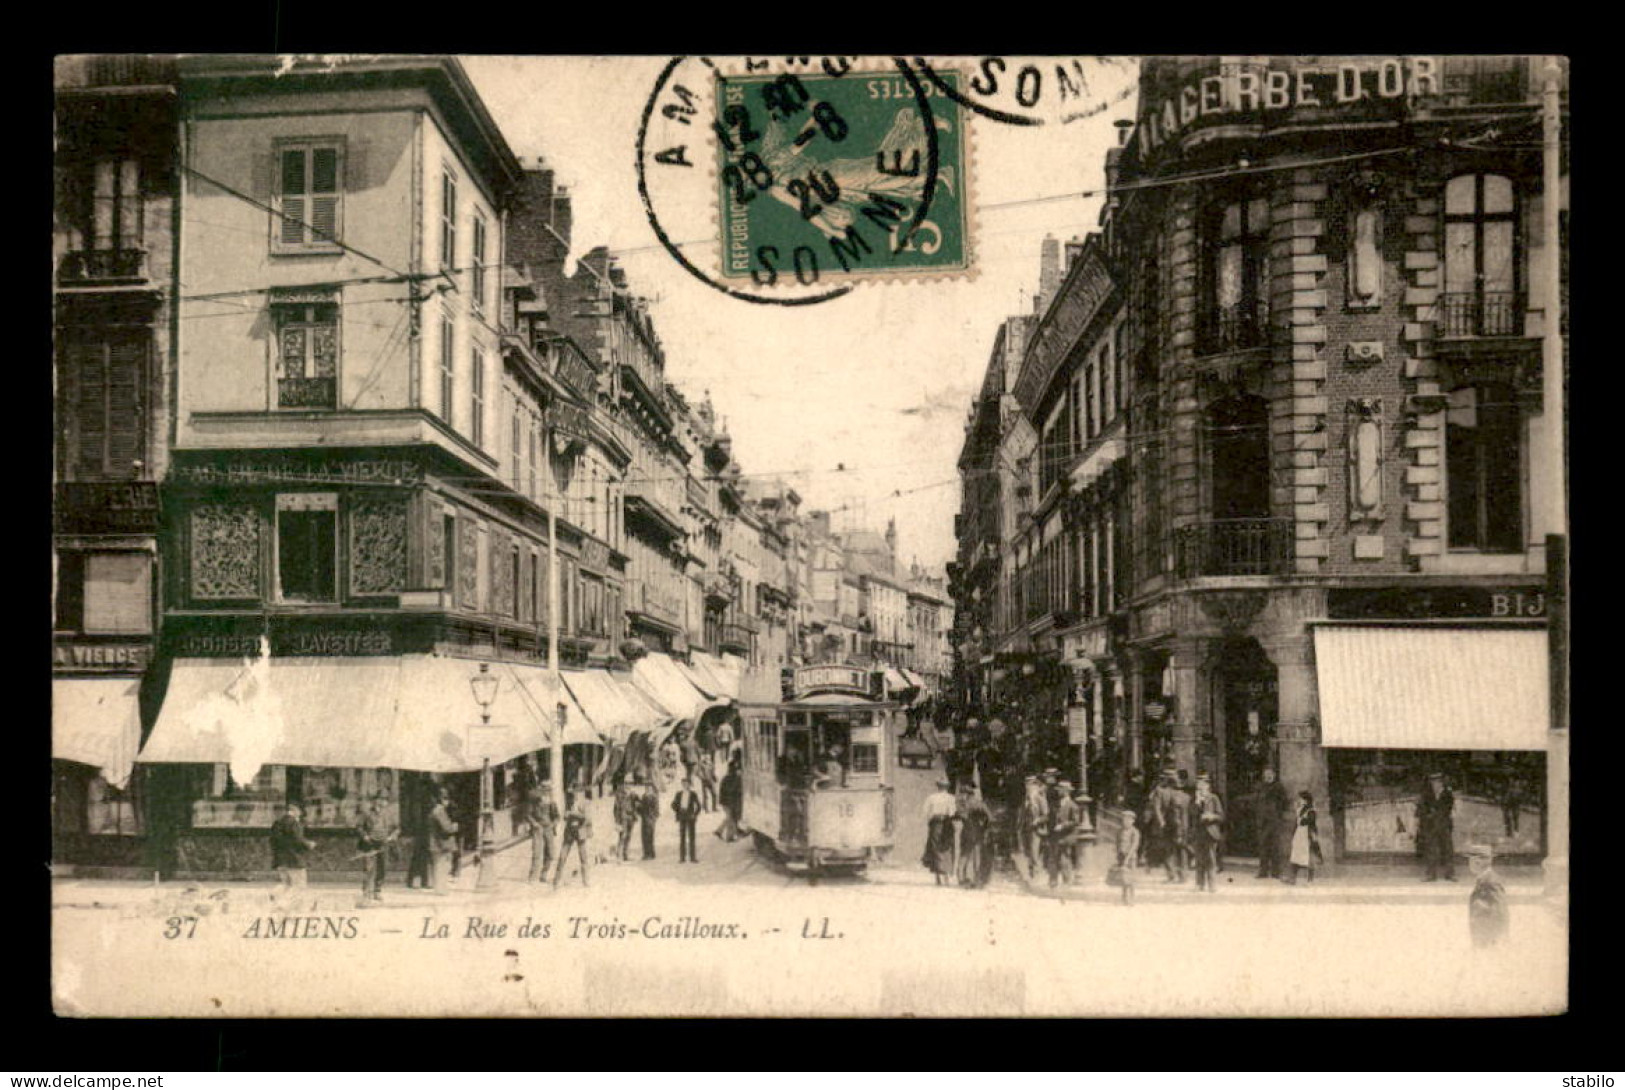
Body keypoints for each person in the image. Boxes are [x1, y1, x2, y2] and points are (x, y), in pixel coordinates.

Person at [355, 790, 399, 905]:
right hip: (369, 845)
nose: (382, 802)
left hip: (383, 844)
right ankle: (367, 891)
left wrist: (391, 837)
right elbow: (359, 827)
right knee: (369, 868)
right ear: (375, 801)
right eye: (380, 799)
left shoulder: (389, 814)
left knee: (382, 868)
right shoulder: (367, 813)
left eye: (384, 800)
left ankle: (377, 890)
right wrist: (365, 836)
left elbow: (397, 828)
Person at [1467, 843, 1510, 949]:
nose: (1469, 864)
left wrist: (1498, 938)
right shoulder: (1484, 879)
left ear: (1477, 862)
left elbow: (1501, 911)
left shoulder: (1491, 881)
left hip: (1488, 938)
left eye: (1470, 861)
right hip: (1482, 936)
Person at [1417, 772, 1456, 882]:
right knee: (1431, 850)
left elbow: (1448, 807)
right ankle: (1431, 874)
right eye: (1433, 782)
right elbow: (1423, 808)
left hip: (1444, 825)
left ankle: (1450, 874)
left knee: (1448, 850)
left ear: (1441, 782)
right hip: (1431, 825)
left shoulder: (1448, 793)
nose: (1435, 784)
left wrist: (1435, 812)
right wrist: (1429, 815)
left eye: (1437, 782)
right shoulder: (1427, 794)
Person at [1152, 771, 1189, 883]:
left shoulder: (1160, 792)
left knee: (1168, 850)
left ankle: (1171, 875)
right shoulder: (1185, 796)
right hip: (1182, 825)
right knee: (1181, 850)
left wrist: (1161, 822)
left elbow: (1157, 808)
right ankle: (1183, 875)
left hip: (1167, 825)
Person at [270, 803, 316, 890]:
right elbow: (297, 839)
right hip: (294, 859)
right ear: (295, 810)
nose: (300, 813)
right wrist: (308, 844)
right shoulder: (294, 823)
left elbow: (273, 841)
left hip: (280, 860)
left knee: (286, 884)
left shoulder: (277, 823)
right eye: (299, 811)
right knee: (299, 886)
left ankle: (276, 895)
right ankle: (287, 901)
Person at [1191, 775, 1225, 892]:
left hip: (1210, 833)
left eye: (1202, 786)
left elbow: (1221, 816)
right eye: (1198, 787)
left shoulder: (1214, 798)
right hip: (1199, 833)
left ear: (1207, 786)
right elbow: (1192, 815)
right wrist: (1197, 803)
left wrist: (1211, 816)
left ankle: (1212, 885)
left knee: (1210, 860)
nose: (1199, 789)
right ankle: (1199, 884)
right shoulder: (1195, 800)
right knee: (1199, 859)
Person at [551, 790, 592, 888]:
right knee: (562, 856)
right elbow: (564, 816)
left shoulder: (584, 803)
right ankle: (556, 880)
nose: (573, 797)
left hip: (580, 832)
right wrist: (567, 814)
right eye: (571, 795)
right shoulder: (568, 803)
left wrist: (573, 814)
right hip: (569, 832)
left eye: (575, 794)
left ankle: (586, 881)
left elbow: (587, 818)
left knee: (583, 857)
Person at [922, 778, 958, 885]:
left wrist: (931, 821)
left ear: (938, 786)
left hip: (935, 823)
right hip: (947, 823)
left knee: (935, 847)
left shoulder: (931, 798)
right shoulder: (951, 798)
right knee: (947, 847)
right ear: (947, 787)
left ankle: (938, 876)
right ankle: (946, 875)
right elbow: (952, 813)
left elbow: (925, 812)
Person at [955, 784, 992, 888]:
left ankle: (961, 878)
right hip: (977, 832)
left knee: (964, 855)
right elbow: (989, 817)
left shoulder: (961, 805)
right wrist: (985, 827)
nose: (963, 795)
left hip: (966, 832)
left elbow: (958, 816)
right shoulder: (978, 804)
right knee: (976, 855)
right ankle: (977, 879)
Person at [1256, 767, 1289, 880]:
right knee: (1263, 846)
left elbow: (1284, 802)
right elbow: (1257, 802)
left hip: (1275, 821)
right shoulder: (1261, 787)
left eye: (1270, 774)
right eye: (1266, 774)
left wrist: (1278, 814)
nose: (1268, 776)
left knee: (1275, 846)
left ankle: (1276, 872)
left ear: (1274, 775)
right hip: (1263, 821)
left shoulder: (1278, 787)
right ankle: (1263, 871)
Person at [1047, 781, 1080, 888]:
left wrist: (1063, 825)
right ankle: (1053, 881)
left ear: (1066, 791)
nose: (1058, 792)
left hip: (1067, 836)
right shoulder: (1056, 804)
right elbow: (1051, 817)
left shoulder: (1072, 806)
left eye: (1060, 790)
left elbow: (1075, 822)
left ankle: (1067, 881)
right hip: (1056, 836)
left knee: (1064, 859)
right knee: (1053, 858)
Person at [1019, 775, 1050, 882]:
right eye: (1026, 785)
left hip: (1036, 830)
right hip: (1026, 829)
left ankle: (1036, 874)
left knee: (1034, 852)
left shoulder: (1039, 799)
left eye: (1030, 785)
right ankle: (1031, 873)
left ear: (1035, 786)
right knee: (1028, 852)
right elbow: (1023, 814)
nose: (1028, 787)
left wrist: (1037, 821)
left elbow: (1046, 815)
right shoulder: (1026, 800)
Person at [1287, 789, 1322, 885]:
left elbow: (1310, 822)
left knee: (1308, 857)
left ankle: (1310, 880)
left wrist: (1301, 821)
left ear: (1306, 800)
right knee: (1296, 855)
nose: (1299, 801)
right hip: (1299, 834)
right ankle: (1292, 878)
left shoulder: (1311, 810)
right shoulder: (1299, 809)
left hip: (1307, 835)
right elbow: (1297, 822)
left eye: (1301, 799)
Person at [525, 788, 560, 884]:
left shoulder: (552, 804)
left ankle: (543, 874)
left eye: (548, 791)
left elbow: (557, 816)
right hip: (538, 830)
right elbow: (528, 815)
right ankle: (532, 877)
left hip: (548, 829)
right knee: (537, 853)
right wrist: (534, 823)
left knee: (550, 853)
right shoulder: (534, 802)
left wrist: (553, 825)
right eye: (544, 791)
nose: (546, 794)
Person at [427, 789, 458, 893]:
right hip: (440, 843)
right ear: (441, 799)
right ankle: (441, 889)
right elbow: (446, 828)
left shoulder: (434, 810)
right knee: (442, 866)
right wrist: (454, 827)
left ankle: (440, 888)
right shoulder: (439, 811)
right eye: (445, 798)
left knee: (439, 866)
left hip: (436, 843)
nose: (447, 801)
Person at [672, 776, 702, 863]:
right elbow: (673, 804)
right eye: (683, 784)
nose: (685, 785)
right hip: (682, 817)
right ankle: (682, 858)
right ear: (682, 785)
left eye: (687, 784)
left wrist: (695, 814)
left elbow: (699, 806)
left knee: (692, 837)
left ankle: (693, 857)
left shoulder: (693, 794)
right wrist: (678, 810)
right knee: (682, 837)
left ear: (690, 785)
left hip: (690, 817)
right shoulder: (678, 794)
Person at [1116, 809, 1141, 906]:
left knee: (1131, 879)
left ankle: (1131, 898)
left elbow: (1134, 845)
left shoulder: (1135, 832)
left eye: (1128, 819)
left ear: (1132, 821)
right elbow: (1118, 843)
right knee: (1123, 878)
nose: (1125, 821)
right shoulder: (1120, 831)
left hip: (1131, 858)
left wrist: (1127, 858)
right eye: (1123, 819)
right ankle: (1124, 898)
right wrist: (1118, 854)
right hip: (1121, 856)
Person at [716, 759, 744, 843]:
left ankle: (719, 831)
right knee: (730, 818)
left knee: (730, 818)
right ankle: (729, 836)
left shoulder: (727, 778)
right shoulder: (731, 778)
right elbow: (731, 790)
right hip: (727, 801)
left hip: (727, 801)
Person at [613, 781, 639, 862]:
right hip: (623, 819)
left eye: (630, 785)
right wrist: (617, 821)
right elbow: (615, 810)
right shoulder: (619, 796)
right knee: (622, 836)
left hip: (631, 818)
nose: (628, 787)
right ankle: (619, 855)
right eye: (626, 785)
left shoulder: (633, 795)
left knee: (629, 836)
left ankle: (625, 854)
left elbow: (639, 803)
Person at [638, 781, 660, 860]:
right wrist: (639, 811)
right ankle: (646, 853)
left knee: (650, 836)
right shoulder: (644, 796)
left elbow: (657, 809)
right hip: (644, 818)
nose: (647, 789)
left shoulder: (654, 797)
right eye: (646, 788)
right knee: (644, 836)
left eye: (649, 788)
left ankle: (650, 853)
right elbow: (640, 807)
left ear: (652, 789)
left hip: (650, 819)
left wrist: (653, 818)